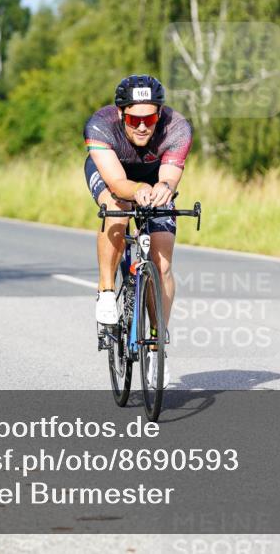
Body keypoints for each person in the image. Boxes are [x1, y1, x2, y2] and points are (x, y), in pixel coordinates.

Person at [83, 75, 192, 380]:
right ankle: (106, 291)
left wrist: (164, 188)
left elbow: (169, 177)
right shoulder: (100, 125)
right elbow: (118, 183)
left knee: (163, 262)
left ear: (160, 114)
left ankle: (157, 347)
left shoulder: (177, 128)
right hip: (113, 173)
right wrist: (138, 189)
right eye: (134, 118)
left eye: (150, 118)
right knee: (118, 206)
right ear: (121, 114)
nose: (143, 126)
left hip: (154, 175)